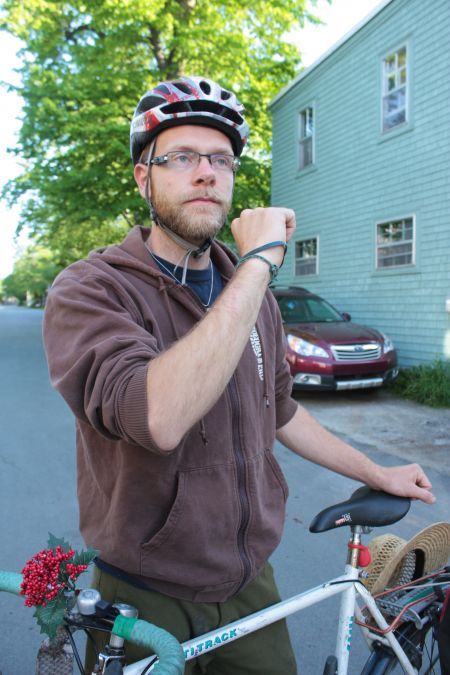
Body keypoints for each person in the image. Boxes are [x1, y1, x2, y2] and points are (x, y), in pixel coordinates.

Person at [43, 76, 435, 674]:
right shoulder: (92, 290)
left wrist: (375, 470)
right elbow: (158, 417)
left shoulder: (251, 293)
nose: (206, 173)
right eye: (181, 157)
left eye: (220, 159)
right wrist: (256, 268)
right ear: (143, 178)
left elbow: (282, 409)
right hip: (142, 592)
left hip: (250, 580)